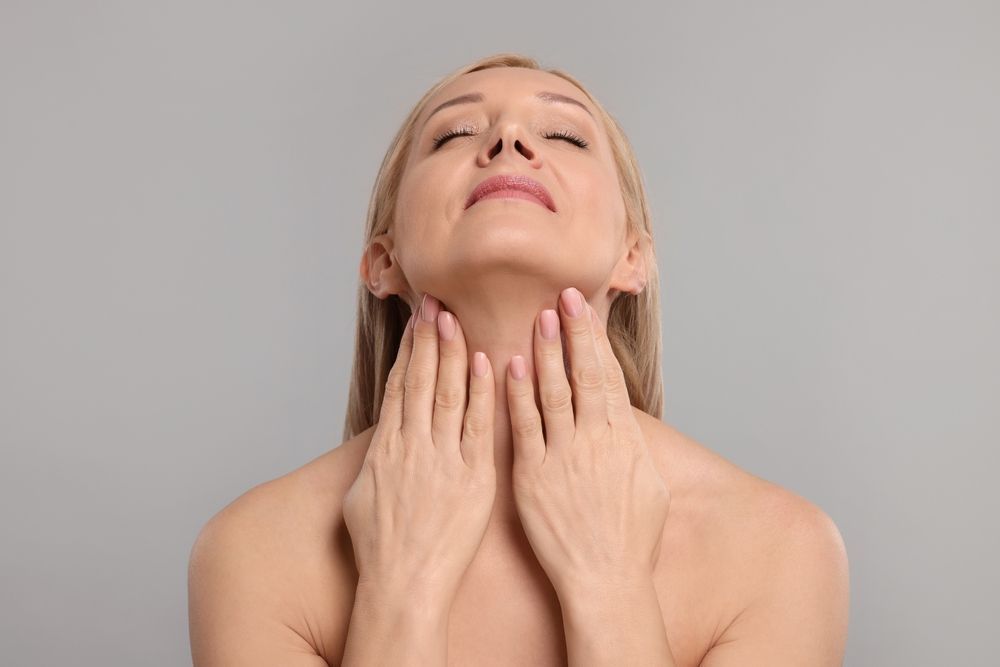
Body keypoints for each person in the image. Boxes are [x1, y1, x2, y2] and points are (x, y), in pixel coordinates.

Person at [188, 53, 849, 666]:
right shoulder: (253, 553)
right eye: (454, 135)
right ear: (382, 260)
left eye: (565, 135)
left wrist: (609, 579)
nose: (508, 141)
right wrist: (401, 583)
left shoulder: (780, 550)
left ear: (634, 255)